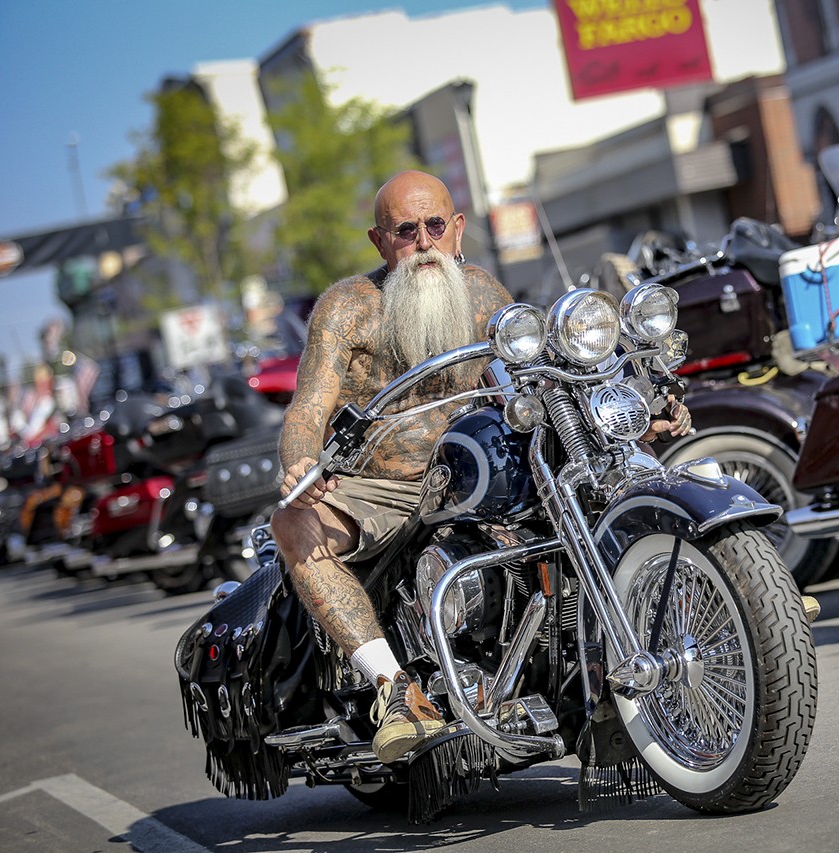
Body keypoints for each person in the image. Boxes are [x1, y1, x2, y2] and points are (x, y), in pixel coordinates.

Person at [271, 170, 690, 765]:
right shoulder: (347, 309)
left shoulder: (483, 292)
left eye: (434, 226)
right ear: (379, 241)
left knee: (590, 468)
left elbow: (548, 375)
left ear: (457, 229)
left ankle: (726, 591)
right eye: (405, 230)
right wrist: (300, 464)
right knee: (292, 524)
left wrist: (642, 409)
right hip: (380, 488)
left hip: (473, 474)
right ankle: (397, 692)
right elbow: (308, 407)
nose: (422, 243)